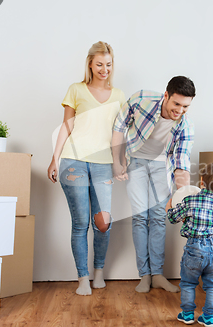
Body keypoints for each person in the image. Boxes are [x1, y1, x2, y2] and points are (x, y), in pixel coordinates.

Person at [47, 41, 126, 296]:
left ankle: (99, 271)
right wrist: (54, 158)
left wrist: (119, 162)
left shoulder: (119, 96)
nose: (105, 69)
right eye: (100, 64)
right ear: (90, 63)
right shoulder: (76, 89)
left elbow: (119, 134)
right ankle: (82, 277)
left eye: (109, 65)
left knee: (103, 222)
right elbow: (66, 127)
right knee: (80, 222)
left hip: (103, 164)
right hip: (74, 160)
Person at [111, 76, 196, 293]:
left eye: (186, 106)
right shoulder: (142, 99)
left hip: (162, 166)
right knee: (140, 217)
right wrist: (117, 160)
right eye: (176, 104)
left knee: (158, 218)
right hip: (136, 161)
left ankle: (157, 275)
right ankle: (144, 276)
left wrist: (183, 198)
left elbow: (181, 164)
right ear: (166, 96)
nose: (180, 111)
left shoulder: (185, 125)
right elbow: (119, 123)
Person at [166, 162, 213, 327]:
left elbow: (173, 218)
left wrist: (169, 207)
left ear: (201, 181)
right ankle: (209, 317)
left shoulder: (190, 200)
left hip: (194, 249)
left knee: (188, 283)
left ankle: (188, 314)